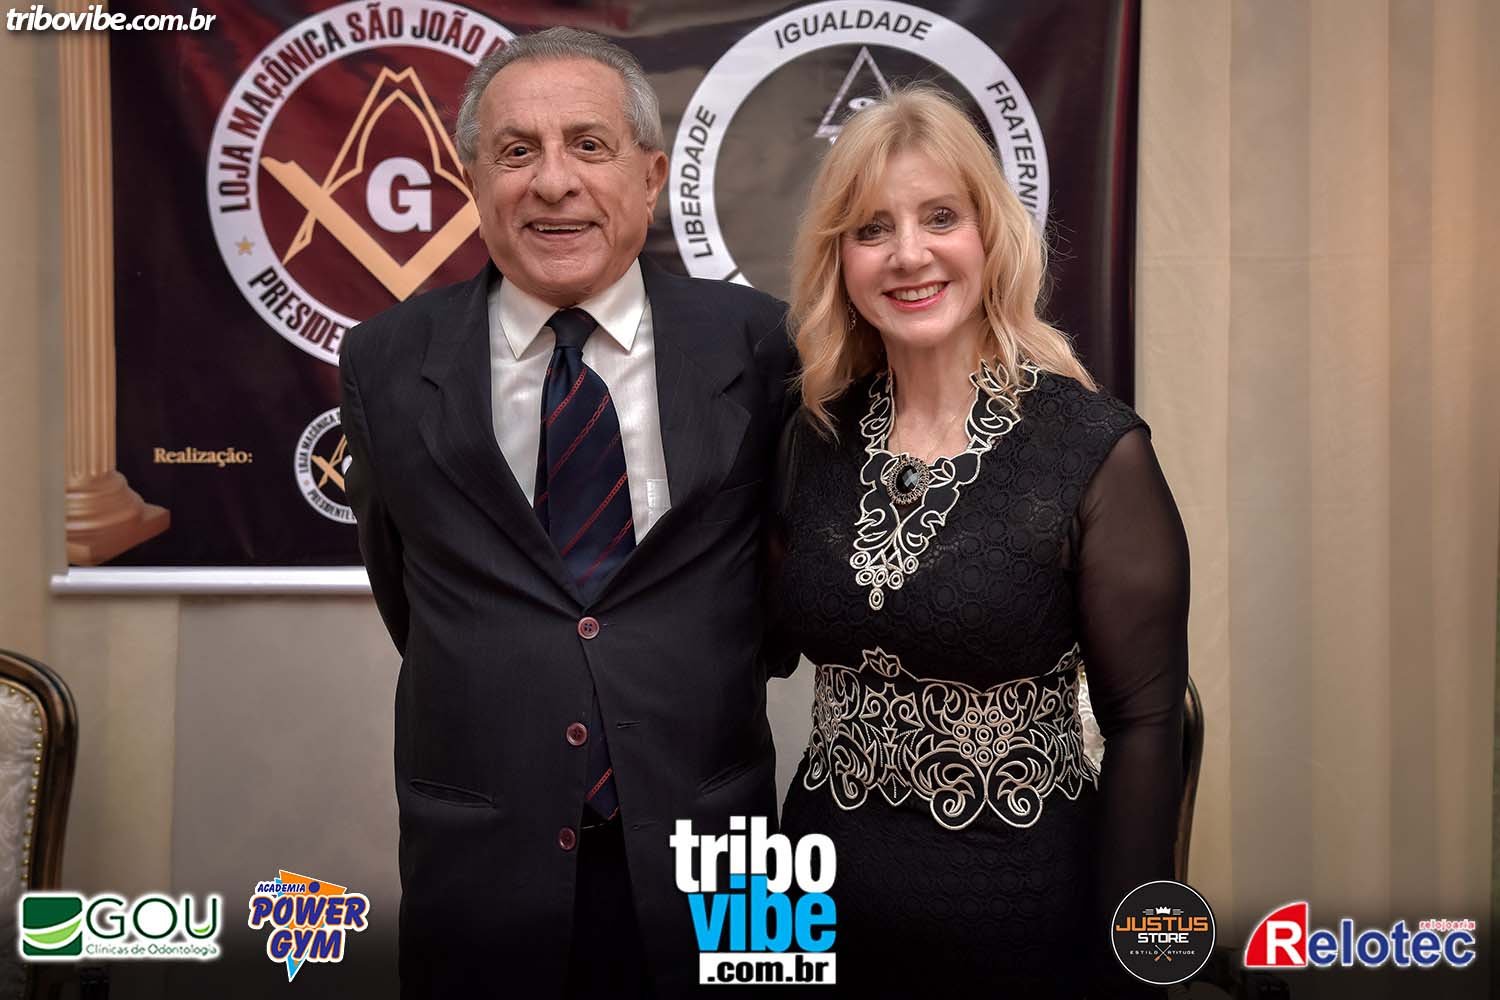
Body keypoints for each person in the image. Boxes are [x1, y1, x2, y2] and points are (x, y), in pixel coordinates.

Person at [338, 27, 795, 998]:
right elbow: (409, 594)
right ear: (472, 181)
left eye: (589, 145)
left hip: (716, 847)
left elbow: (779, 582)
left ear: (650, 175)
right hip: (481, 862)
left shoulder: (759, 344)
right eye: (517, 152)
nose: (553, 183)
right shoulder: (384, 362)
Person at [770, 85, 1190, 997]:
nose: (908, 253)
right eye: (872, 228)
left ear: (990, 235)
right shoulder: (812, 435)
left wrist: (1138, 961)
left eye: (940, 217)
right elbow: (753, 642)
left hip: (1021, 912)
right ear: (840, 259)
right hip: (813, 902)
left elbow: (1147, 724)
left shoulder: (1094, 448)